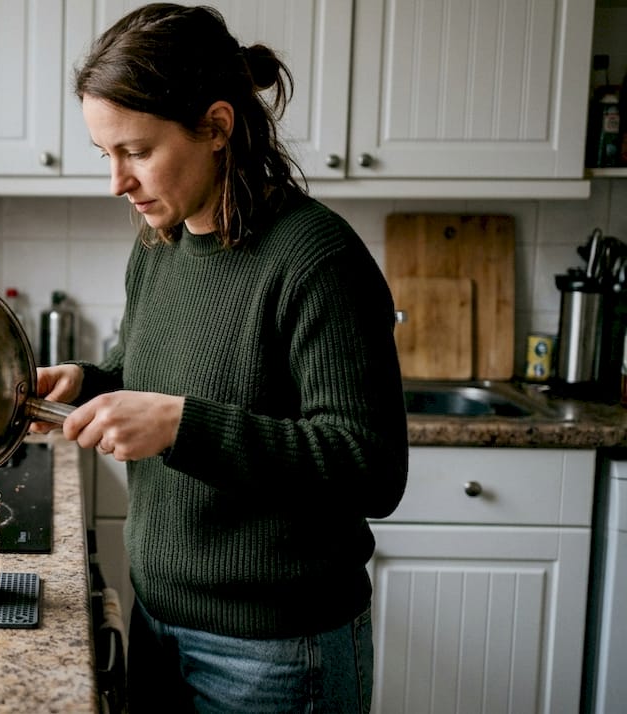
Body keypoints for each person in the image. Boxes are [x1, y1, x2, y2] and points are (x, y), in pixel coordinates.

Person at [31, 4, 408, 712]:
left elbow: (370, 468)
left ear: (216, 126)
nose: (117, 182)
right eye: (104, 154)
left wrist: (183, 428)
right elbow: (152, 375)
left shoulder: (315, 258)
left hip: (277, 655)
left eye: (137, 152)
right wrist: (88, 383)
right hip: (161, 621)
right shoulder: (159, 244)